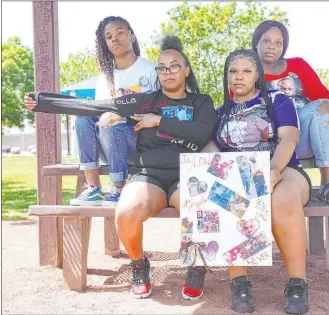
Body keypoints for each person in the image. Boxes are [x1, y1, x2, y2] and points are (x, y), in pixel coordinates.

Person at [27, 35, 218, 302]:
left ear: (186, 70)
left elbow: (201, 133)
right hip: (148, 176)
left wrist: (158, 122)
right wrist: (43, 102)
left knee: (199, 209)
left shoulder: (201, 102)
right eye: (162, 67)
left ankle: (196, 265)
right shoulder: (145, 101)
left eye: (174, 66)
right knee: (126, 212)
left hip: (187, 175)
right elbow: (95, 106)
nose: (167, 72)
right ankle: (139, 265)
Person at [206, 48, 312, 314]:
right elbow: (210, 147)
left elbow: (289, 138)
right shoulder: (221, 113)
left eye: (246, 71)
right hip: (240, 176)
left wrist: (273, 169)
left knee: (283, 195)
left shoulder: (278, 100)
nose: (239, 77)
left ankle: (297, 283)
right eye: (233, 71)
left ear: (257, 75)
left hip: (283, 169)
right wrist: (211, 164)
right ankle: (239, 282)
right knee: (226, 194)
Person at [24, 16, 157, 206]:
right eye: (109, 36)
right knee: (84, 118)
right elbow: (100, 111)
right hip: (109, 145)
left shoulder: (151, 70)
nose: (115, 38)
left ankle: (119, 188)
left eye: (120, 33)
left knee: (111, 117)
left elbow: (160, 107)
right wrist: (39, 102)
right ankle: (94, 187)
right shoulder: (105, 77)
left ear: (132, 37)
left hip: (139, 144)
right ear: (106, 44)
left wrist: (119, 114)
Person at [252, 20, 329, 205]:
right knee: (323, 107)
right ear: (256, 42)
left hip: (318, 131)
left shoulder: (298, 65)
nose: (272, 47)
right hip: (284, 140)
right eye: (266, 41)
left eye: (278, 42)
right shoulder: (247, 70)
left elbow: (319, 91)